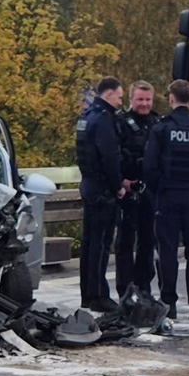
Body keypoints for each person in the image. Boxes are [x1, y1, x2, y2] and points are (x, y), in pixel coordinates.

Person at [143, 79, 189, 321]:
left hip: (168, 197)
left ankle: (169, 305)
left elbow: (149, 167)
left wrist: (159, 191)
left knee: (167, 251)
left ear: (171, 98)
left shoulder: (162, 128)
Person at [76, 77, 127, 312]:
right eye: (119, 96)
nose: (120, 101)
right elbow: (110, 157)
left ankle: (87, 294)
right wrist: (118, 186)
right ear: (108, 95)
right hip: (102, 189)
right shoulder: (105, 120)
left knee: (89, 244)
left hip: (88, 185)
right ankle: (98, 295)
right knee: (101, 244)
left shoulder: (87, 116)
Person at [116, 80, 160, 298]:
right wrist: (122, 182)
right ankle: (124, 288)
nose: (144, 104)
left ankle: (144, 287)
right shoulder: (120, 123)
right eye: (140, 99)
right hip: (128, 188)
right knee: (125, 241)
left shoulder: (157, 123)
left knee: (148, 240)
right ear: (131, 100)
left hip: (150, 190)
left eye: (148, 99)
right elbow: (114, 157)